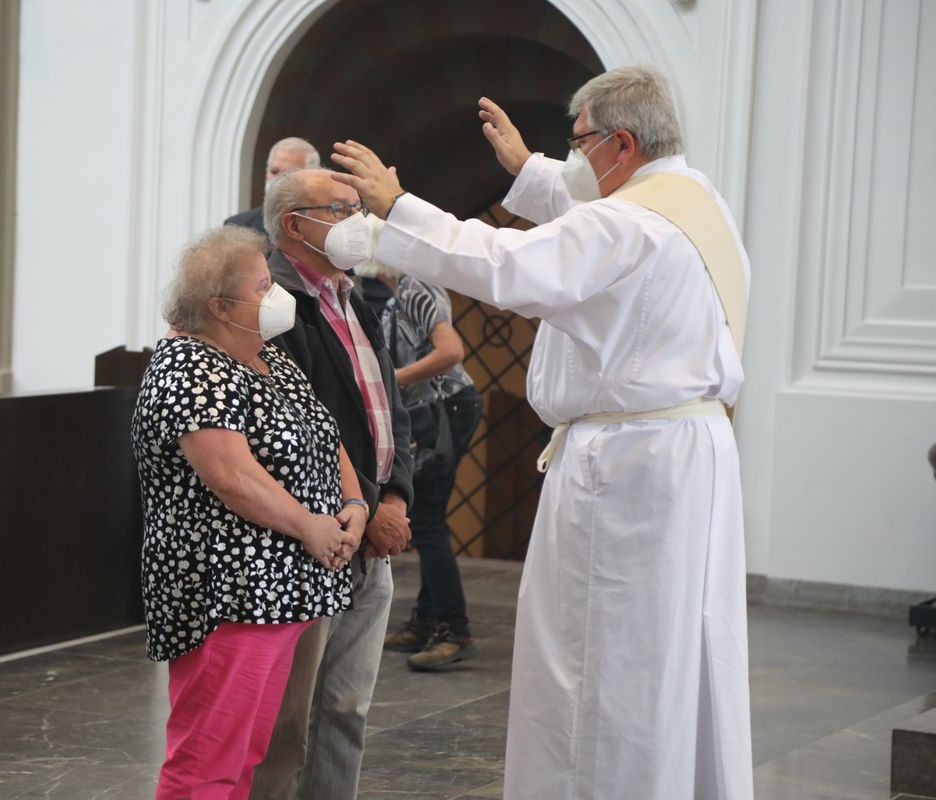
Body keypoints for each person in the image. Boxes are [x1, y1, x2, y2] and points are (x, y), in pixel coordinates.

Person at [331, 65, 754, 799]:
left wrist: (399, 209)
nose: (571, 159)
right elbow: (588, 209)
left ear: (621, 144)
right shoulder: (695, 202)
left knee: (602, 657)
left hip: (626, 472)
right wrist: (529, 171)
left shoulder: (625, 224)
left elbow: (506, 267)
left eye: (577, 142)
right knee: (676, 646)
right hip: (689, 455)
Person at [132, 224, 369, 800]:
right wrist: (310, 525)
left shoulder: (269, 358)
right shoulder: (189, 367)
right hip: (229, 591)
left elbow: (325, 433)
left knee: (246, 756)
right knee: (205, 762)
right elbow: (232, 477)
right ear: (218, 306)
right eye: (262, 286)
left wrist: (354, 503)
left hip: (282, 588)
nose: (276, 295)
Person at [248, 168, 414, 800]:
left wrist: (395, 496)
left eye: (358, 207)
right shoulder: (275, 305)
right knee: (285, 724)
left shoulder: (354, 295)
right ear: (295, 224)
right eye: (342, 209)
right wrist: (363, 508)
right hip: (315, 536)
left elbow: (387, 407)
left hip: (371, 530)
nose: (359, 221)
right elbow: (300, 425)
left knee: (347, 710)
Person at [361, 259, 484, 671]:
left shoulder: (415, 287)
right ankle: (430, 618)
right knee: (429, 515)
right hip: (439, 405)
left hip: (444, 406)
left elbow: (451, 351)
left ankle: (453, 626)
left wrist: (392, 381)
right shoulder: (404, 291)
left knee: (427, 519)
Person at [225, 137, 322, 236]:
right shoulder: (239, 226)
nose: (277, 180)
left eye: (287, 173)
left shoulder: (323, 226)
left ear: (310, 178)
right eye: (274, 171)